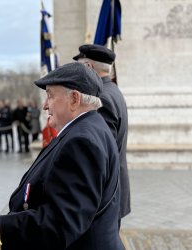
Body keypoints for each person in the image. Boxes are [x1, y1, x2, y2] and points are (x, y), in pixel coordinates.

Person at [0, 62, 123, 249]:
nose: (44, 105)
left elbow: (59, 225)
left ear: (74, 99)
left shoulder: (81, 142)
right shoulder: (86, 128)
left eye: (50, 95)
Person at [73, 44, 131, 230]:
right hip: (114, 192)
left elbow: (99, 152)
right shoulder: (113, 91)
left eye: (80, 67)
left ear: (89, 68)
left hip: (105, 198)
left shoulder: (102, 98)